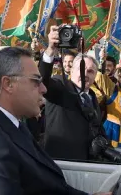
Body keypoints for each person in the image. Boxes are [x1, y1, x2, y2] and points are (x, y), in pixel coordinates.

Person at [0, 47, 112, 195]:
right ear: (8, 84)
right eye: (36, 81)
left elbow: (47, 186)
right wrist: (51, 50)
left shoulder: (14, 126)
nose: (43, 89)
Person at [40, 26, 104, 161]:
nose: (85, 74)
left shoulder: (92, 97)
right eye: (81, 69)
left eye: (90, 71)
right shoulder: (60, 87)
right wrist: (51, 49)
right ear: (71, 71)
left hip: (85, 164)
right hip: (60, 162)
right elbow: (43, 80)